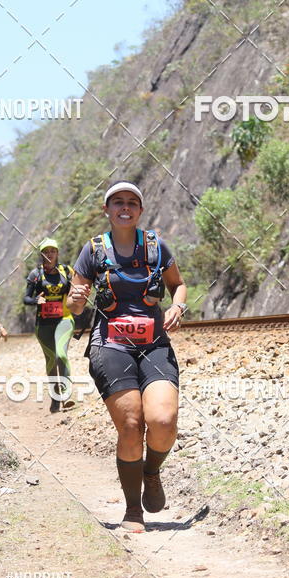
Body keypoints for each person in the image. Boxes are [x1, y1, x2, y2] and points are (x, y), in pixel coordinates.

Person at [67, 182, 187, 532]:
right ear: (106, 210)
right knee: (132, 425)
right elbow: (73, 307)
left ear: (140, 210)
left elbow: (178, 283)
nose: (124, 207)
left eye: (132, 203)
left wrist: (178, 305)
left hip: (155, 344)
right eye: (117, 202)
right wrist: (76, 298)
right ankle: (133, 511)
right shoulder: (92, 251)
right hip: (110, 346)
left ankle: (151, 472)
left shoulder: (155, 247)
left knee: (163, 422)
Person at [24, 238, 76, 413]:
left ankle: (66, 395)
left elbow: (78, 289)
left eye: (52, 251)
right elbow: (26, 298)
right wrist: (36, 300)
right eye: (46, 252)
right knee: (51, 360)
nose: (49, 254)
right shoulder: (35, 275)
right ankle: (55, 397)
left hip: (64, 319)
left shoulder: (67, 271)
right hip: (44, 324)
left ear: (57, 253)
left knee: (61, 354)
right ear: (41, 255)